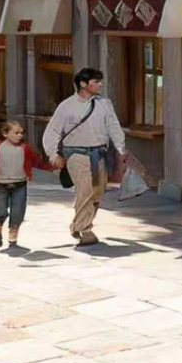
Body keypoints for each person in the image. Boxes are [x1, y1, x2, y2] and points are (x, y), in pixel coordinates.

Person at [42, 67, 126, 246]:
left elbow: (113, 126)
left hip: (99, 153)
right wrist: (53, 155)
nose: (100, 85)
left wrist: (121, 149)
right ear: (83, 84)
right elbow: (53, 131)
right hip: (76, 154)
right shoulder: (66, 106)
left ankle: (77, 224)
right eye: (96, 82)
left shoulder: (104, 104)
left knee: (97, 193)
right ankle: (85, 229)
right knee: (85, 190)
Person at [0, 120, 53, 249]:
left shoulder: (25, 148)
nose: (20, 135)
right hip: (0, 185)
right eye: (16, 132)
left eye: (21, 133)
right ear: (5, 133)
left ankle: (13, 235)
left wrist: (51, 167)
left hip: (20, 184)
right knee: (0, 211)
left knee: (18, 211)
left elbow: (36, 161)